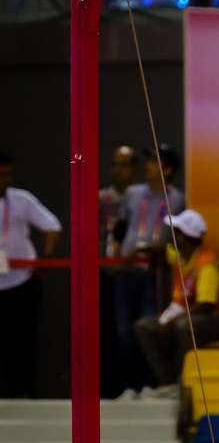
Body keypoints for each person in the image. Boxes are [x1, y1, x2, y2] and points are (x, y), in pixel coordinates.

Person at [133, 209, 219, 398]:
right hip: (192, 313)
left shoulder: (207, 265)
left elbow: (206, 305)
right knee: (144, 327)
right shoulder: (182, 256)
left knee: (184, 327)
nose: (172, 236)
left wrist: (171, 323)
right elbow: (163, 250)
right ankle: (168, 383)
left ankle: (186, 383)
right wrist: (140, 250)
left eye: (176, 232)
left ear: (184, 238)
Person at [111, 143, 185, 400]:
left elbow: (177, 239)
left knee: (147, 328)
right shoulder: (133, 193)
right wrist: (116, 256)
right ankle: (129, 386)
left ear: (168, 169)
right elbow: (120, 228)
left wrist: (150, 249)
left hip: (154, 274)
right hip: (127, 271)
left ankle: (148, 384)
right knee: (124, 331)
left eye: (154, 162)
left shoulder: (177, 199)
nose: (148, 167)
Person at [0, 151, 62, 398]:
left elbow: (52, 226)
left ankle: (24, 392)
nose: (5, 179)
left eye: (8, 174)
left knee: (24, 340)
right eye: (1, 174)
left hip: (22, 281)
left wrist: (45, 260)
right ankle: (12, 391)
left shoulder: (22, 199)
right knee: (6, 342)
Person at [99, 146, 138, 398]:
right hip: (104, 269)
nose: (117, 170)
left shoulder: (139, 197)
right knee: (106, 330)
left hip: (132, 270)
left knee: (130, 331)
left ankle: (132, 385)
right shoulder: (101, 198)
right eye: (113, 164)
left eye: (123, 165)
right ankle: (107, 387)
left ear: (133, 169)